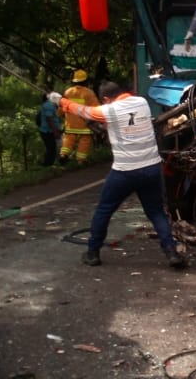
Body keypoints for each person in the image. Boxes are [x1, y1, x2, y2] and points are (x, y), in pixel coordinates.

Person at [52, 81, 186, 269]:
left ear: (106, 99)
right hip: (151, 167)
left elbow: (83, 111)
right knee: (156, 211)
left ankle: (92, 253)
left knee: (104, 210)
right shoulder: (142, 102)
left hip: (125, 171)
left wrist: (60, 101)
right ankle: (171, 252)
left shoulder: (109, 111)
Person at [58, 69, 99, 165]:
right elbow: (95, 107)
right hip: (84, 124)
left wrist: (59, 113)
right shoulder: (89, 93)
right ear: (85, 81)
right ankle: (81, 160)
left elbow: (63, 105)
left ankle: (64, 154)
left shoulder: (68, 92)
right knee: (85, 140)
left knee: (68, 139)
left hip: (70, 123)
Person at [37, 91, 61, 167]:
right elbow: (49, 119)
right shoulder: (49, 106)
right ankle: (47, 165)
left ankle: (49, 164)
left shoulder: (51, 105)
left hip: (49, 130)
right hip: (47, 131)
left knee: (51, 148)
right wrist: (55, 131)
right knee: (51, 149)